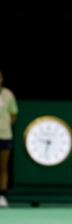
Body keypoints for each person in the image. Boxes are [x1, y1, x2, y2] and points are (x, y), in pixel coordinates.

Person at [0, 68, 18, 207]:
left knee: (3, 167)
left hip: (5, 135)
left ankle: (2, 196)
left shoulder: (8, 94)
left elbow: (13, 115)